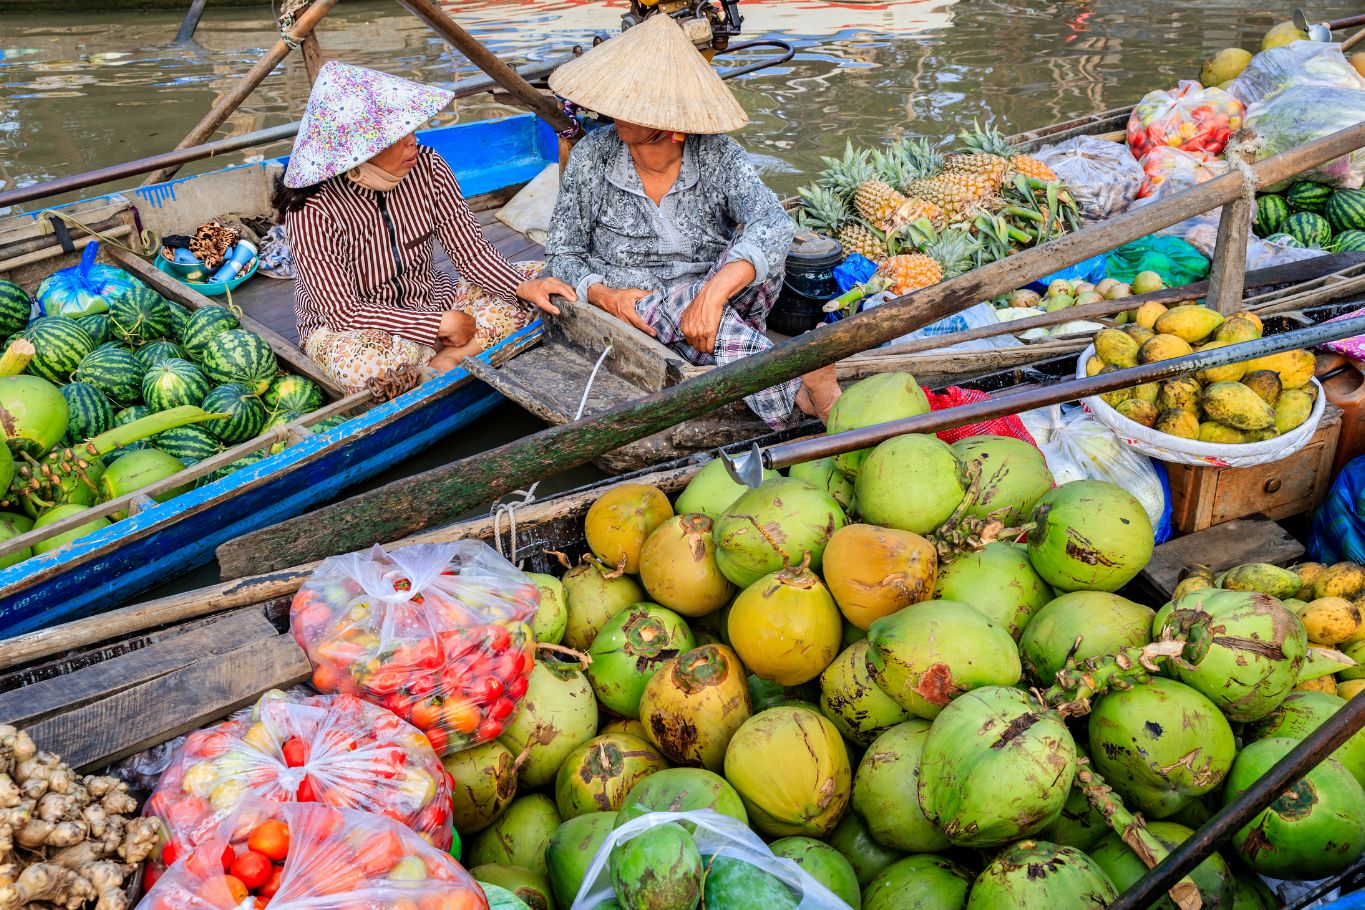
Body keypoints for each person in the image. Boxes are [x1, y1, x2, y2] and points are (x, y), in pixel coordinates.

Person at [545, 15, 840, 427]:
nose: (618, 109)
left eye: (637, 104)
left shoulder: (717, 153)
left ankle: (715, 335)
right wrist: (603, 296)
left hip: (711, 299)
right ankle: (799, 400)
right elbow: (561, 254)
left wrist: (714, 294)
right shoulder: (593, 157)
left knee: (767, 257)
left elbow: (772, 222)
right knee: (696, 316)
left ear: (675, 127)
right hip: (638, 304)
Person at [273, 62, 573, 391]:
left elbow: (472, 254)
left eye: (411, 130)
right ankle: (456, 352)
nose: (412, 142)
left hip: (432, 299)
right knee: (365, 367)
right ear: (359, 154)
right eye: (398, 137)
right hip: (355, 329)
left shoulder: (429, 167)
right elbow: (344, 312)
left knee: (545, 280)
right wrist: (436, 326)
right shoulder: (312, 209)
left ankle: (448, 360)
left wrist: (522, 287)